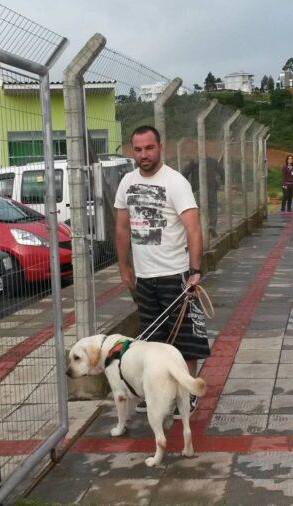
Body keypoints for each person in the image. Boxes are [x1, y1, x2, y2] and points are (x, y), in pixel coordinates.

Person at [114, 125, 210, 415]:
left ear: (160, 147)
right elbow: (120, 227)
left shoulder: (175, 182)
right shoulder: (126, 183)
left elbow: (193, 227)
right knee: (150, 341)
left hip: (176, 275)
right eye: (138, 149)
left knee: (185, 339)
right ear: (132, 151)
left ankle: (188, 392)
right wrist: (124, 266)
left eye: (149, 148)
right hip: (144, 278)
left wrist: (194, 270)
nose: (144, 154)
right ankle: (156, 393)